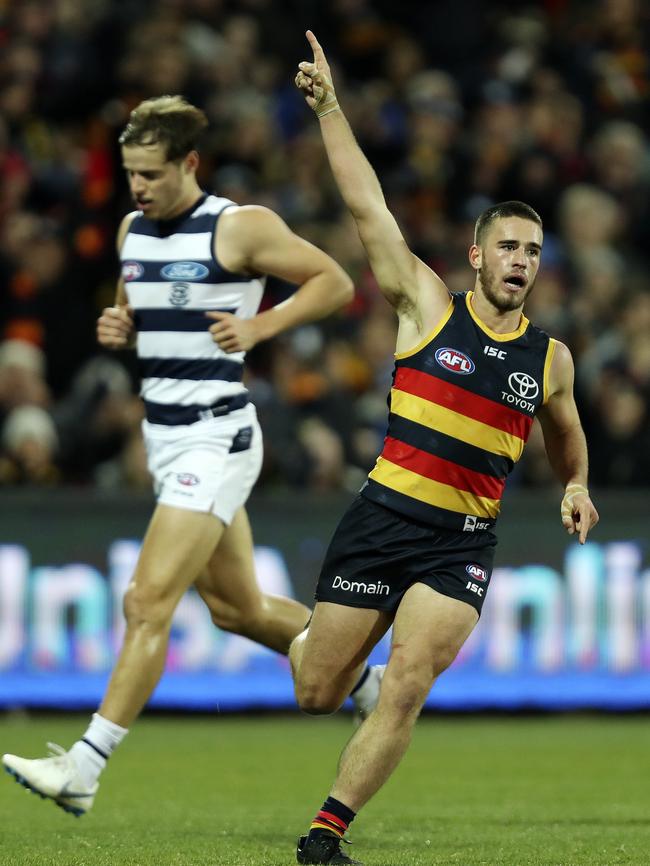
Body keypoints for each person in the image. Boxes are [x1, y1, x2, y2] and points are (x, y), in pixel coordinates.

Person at [2, 94, 380, 817]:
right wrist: (118, 326)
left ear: (189, 164)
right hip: (167, 437)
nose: (139, 187)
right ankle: (367, 684)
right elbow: (135, 305)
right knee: (236, 610)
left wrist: (262, 325)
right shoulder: (130, 231)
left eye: (151, 173)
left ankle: (85, 765)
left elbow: (334, 280)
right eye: (130, 173)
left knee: (146, 601)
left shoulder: (238, 228)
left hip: (218, 433)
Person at [289, 32, 600, 866]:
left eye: (533, 252)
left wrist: (574, 484)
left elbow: (568, 438)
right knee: (316, 690)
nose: (522, 262)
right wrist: (329, 109)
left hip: (459, 543)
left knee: (410, 683)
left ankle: (326, 835)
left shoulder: (551, 359)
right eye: (508, 246)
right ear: (475, 255)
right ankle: (324, 653)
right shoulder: (427, 308)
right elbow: (367, 210)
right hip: (383, 516)